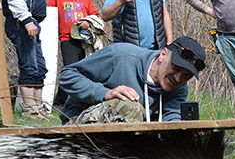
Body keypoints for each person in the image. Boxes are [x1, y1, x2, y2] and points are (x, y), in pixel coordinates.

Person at [58, 36, 205, 124]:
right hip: (78, 123)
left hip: (131, 132)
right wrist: (105, 93)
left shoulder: (179, 87)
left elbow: (171, 117)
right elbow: (67, 76)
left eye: (187, 75)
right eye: (176, 67)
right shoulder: (120, 56)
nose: (178, 78)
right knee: (130, 106)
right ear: (163, 54)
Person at [0, 0, 48, 120]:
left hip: (30, 22)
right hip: (21, 22)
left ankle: (38, 107)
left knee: (39, 65)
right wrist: (27, 20)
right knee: (29, 64)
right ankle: (30, 109)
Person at [46, 0, 100, 106]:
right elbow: (49, 14)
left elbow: (95, 15)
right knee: (69, 67)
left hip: (83, 39)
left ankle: (79, 99)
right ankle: (60, 99)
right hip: (67, 38)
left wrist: (88, 22)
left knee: (82, 69)